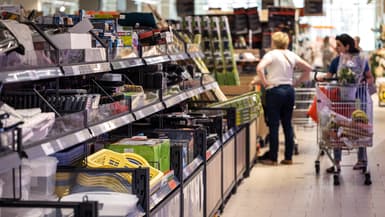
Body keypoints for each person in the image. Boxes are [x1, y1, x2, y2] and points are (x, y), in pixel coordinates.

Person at [250, 31, 312, 165]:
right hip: (289, 91)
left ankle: (273, 158)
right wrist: (297, 82)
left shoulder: (271, 55)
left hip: (275, 91)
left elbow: (259, 68)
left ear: (274, 42)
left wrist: (265, 83)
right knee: (287, 125)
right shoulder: (291, 55)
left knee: (274, 126)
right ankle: (288, 157)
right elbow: (308, 68)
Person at [321, 33, 374, 173]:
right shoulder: (336, 61)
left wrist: (362, 82)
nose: (336, 47)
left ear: (347, 46)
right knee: (338, 128)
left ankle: (362, 160)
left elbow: (370, 78)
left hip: (359, 100)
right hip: (341, 101)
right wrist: (323, 79)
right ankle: (336, 161)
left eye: (339, 45)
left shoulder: (361, 61)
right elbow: (328, 77)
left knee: (360, 128)